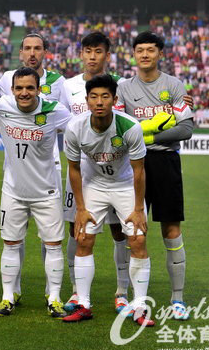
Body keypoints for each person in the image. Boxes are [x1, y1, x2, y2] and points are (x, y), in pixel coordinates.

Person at [63, 74, 154, 327]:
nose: (99, 102)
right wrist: (80, 208)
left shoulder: (129, 126)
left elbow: (139, 170)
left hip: (125, 185)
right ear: (87, 100)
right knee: (83, 238)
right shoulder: (75, 127)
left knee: (138, 240)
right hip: (94, 184)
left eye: (105, 96)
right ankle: (83, 304)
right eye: (94, 97)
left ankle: (140, 306)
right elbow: (74, 169)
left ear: (114, 100)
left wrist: (139, 208)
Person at [115, 31, 194, 320]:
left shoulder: (174, 85)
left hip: (165, 162)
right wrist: (149, 133)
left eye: (151, 50)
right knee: (132, 230)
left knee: (171, 230)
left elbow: (185, 129)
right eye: (140, 50)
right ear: (134, 54)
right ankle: (123, 295)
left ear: (160, 53)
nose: (145, 54)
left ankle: (178, 299)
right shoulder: (123, 88)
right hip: (132, 164)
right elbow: (118, 127)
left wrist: (145, 135)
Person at [0, 67, 71, 318]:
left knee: (54, 246)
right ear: (12, 89)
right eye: (19, 88)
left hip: (46, 192)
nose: (24, 93)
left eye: (29, 88)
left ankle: (54, 298)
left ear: (39, 89)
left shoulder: (55, 110)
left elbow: (78, 131)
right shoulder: (2, 106)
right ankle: (8, 297)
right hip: (13, 191)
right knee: (10, 244)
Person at [63, 32, 132, 313]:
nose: (92, 57)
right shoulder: (67, 86)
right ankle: (76, 291)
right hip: (80, 169)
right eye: (88, 51)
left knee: (121, 231)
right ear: (81, 54)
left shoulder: (122, 86)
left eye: (98, 51)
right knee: (77, 229)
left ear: (107, 55)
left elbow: (135, 119)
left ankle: (122, 291)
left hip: (116, 170)